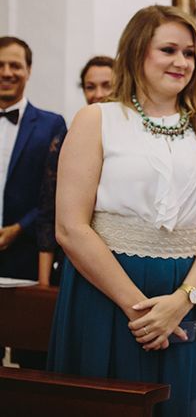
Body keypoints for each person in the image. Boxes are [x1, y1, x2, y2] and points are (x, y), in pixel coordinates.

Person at [48, 5, 196, 417]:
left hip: (184, 292)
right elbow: (70, 228)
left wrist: (181, 301)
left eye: (190, 53)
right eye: (168, 49)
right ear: (137, 51)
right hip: (106, 291)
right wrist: (141, 310)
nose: (181, 62)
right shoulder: (97, 119)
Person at [0, 36, 67, 368]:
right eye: (1, 65)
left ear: (28, 70)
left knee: (32, 360)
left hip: (26, 257)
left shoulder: (51, 124)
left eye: (15, 65)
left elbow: (54, 193)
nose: (7, 72)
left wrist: (18, 228)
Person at [36, 55, 115, 286]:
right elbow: (48, 211)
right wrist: (43, 285)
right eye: (90, 87)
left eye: (107, 85)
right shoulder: (66, 139)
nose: (98, 93)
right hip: (76, 261)